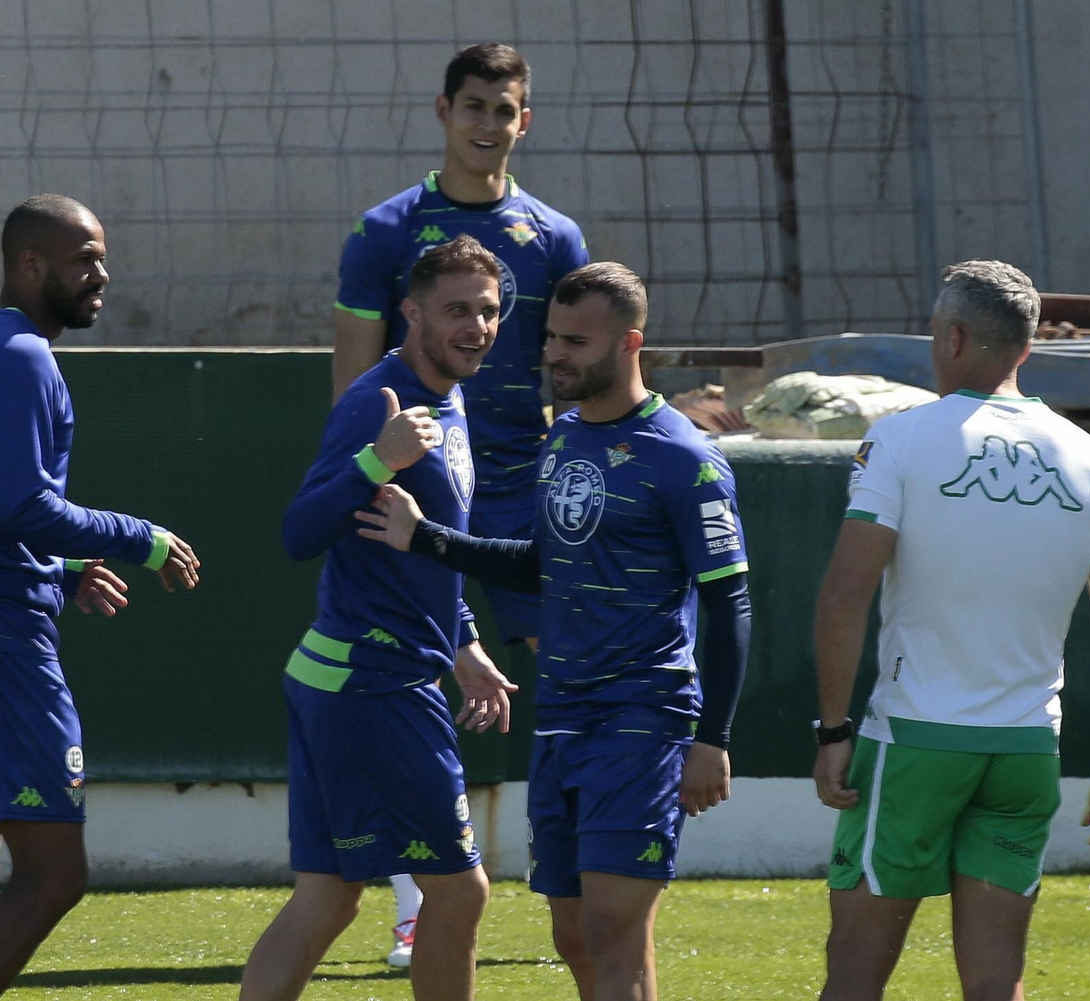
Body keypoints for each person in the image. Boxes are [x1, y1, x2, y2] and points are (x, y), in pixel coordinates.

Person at [357, 262, 753, 1001]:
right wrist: (426, 537)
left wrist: (713, 736)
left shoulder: (683, 457)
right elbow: (545, 563)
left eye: (576, 340)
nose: (554, 355)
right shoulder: (565, 437)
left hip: (643, 717)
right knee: (576, 935)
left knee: (610, 926)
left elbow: (729, 601)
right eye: (550, 338)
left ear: (630, 343)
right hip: (563, 714)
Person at [809, 260, 1090, 1001]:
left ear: (953, 337)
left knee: (857, 964)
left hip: (914, 738)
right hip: (1028, 745)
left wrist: (832, 727)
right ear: (1027, 347)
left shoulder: (900, 440)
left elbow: (844, 595)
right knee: (998, 976)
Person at [0, 193, 201, 1001]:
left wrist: (53, 572)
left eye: (101, 256)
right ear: (29, 264)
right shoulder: (26, 357)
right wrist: (144, 537)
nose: (102, 274)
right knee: (55, 874)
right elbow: (19, 506)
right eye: (84, 258)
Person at [333, 42, 589, 963]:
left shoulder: (556, 238)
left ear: (527, 119)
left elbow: (577, 367)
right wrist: (366, 471)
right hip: (419, 483)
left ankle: (579, 880)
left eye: (505, 109)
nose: (488, 123)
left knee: (571, 674)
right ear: (443, 111)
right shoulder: (384, 231)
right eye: (473, 105)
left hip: (525, 491)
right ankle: (416, 903)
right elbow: (353, 381)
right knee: (410, 675)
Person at [240, 235, 519, 1001]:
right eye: (457, 309)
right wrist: (377, 459)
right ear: (411, 310)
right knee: (460, 892)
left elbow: (416, 555)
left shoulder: (454, 400)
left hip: (354, 675)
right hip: (373, 681)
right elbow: (299, 533)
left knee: (327, 896)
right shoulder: (379, 400)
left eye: (489, 312)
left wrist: (462, 644)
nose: (476, 326)